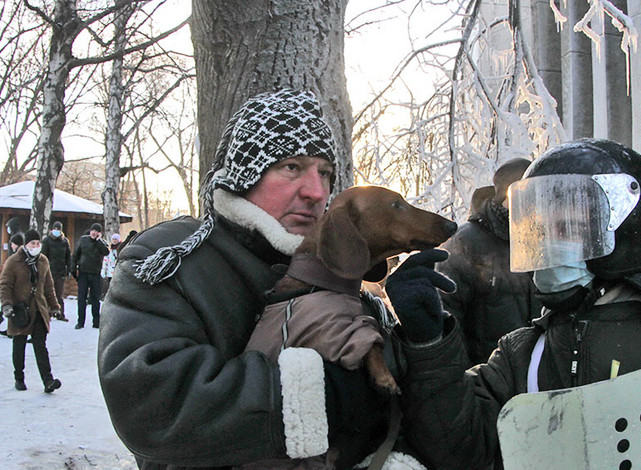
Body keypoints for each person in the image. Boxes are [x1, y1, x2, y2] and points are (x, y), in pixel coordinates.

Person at [98, 89, 418, 469]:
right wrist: (319, 396)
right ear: (244, 175)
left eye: (326, 173)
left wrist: (429, 343)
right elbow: (150, 401)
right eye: (292, 167)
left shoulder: (344, 279)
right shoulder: (171, 258)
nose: (316, 192)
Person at [385, 138, 641, 469]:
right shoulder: (523, 354)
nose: (547, 244)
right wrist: (429, 343)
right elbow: (459, 450)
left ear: (624, 233)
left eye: (568, 228)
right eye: (542, 229)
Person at [436, 158, 541, 366]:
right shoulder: (466, 243)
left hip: (538, 374)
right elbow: (446, 318)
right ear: (507, 196)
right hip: (487, 378)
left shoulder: (544, 239)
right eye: (526, 194)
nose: (533, 204)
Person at [0, 229, 62, 393]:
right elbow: (5, 285)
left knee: (40, 346)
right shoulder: (14, 262)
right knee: (19, 345)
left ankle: (48, 380)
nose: (35, 246)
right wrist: (6, 304)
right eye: (32, 243)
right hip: (20, 311)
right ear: (25, 245)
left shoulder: (43, 261)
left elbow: (49, 287)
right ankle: (19, 378)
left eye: (37, 243)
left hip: (39, 311)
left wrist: (54, 305)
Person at [70, 222, 109, 329]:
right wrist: (73, 270)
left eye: (96, 231)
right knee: (82, 299)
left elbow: (106, 252)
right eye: (93, 230)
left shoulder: (101, 243)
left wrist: (99, 240)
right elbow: (75, 256)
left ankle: (96, 322)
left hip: (96, 274)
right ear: (90, 230)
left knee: (95, 299)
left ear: (99, 233)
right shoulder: (83, 240)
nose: (94, 233)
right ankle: (80, 321)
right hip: (83, 273)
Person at [41, 221, 71, 321]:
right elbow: (43, 256)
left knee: (59, 294)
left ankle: (60, 313)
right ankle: (47, 313)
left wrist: (69, 269)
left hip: (61, 271)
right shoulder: (47, 241)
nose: (57, 231)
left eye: (59, 229)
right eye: (55, 229)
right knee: (48, 293)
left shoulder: (65, 241)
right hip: (49, 271)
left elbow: (68, 257)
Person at [100, 232, 120, 297]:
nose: (114, 241)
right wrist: (104, 270)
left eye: (116, 239)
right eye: (113, 239)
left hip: (117, 272)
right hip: (109, 272)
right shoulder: (109, 250)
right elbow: (105, 261)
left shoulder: (120, 249)